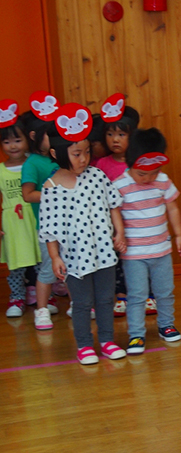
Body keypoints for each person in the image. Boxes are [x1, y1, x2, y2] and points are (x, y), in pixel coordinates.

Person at [40, 105, 127, 364]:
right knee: (81, 302)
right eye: (77, 153)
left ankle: (107, 341)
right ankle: (84, 345)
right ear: (57, 153)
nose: (84, 158)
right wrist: (55, 257)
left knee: (104, 299)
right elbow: (49, 229)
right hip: (75, 259)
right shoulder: (51, 187)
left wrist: (119, 233)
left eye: (87, 152)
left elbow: (113, 205)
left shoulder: (97, 176)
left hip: (103, 252)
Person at [112, 128, 181, 354]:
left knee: (165, 291)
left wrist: (179, 234)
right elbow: (114, 210)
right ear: (129, 162)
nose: (148, 179)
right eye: (142, 174)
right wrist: (120, 234)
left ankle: (166, 325)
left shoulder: (162, 181)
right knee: (137, 295)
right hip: (134, 255)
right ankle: (136, 335)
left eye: (154, 172)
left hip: (161, 250)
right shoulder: (120, 184)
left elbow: (172, 208)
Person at [94, 100, 146, 317]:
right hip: (110, 222)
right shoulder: (102, 164)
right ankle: (121, 295)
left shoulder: (138, 163)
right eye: (110, 134)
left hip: (137, 220)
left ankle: (145, 294)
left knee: (140, 257)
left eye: (121, 135)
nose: (115, 139)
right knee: (117, 259)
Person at [20, 104, 61, 329]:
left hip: (67, 227)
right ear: (35, 136)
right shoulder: (32, 163)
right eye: (50, 135)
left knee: (70, 267)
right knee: (47, 268)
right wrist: (55, 192)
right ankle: (41, 310)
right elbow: (27, 195)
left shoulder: (56, 158)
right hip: (48, 228)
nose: (55, 139)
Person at [0, 109, 41, 317]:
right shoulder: (1, 169)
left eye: (17, 140)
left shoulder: (34, 163)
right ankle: (16, 297)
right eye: (7, 142)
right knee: (16, 262)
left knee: (42, 258)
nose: (13, 146)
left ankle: (45, 294)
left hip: (35, 218)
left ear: (27, 139)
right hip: (12, 224)